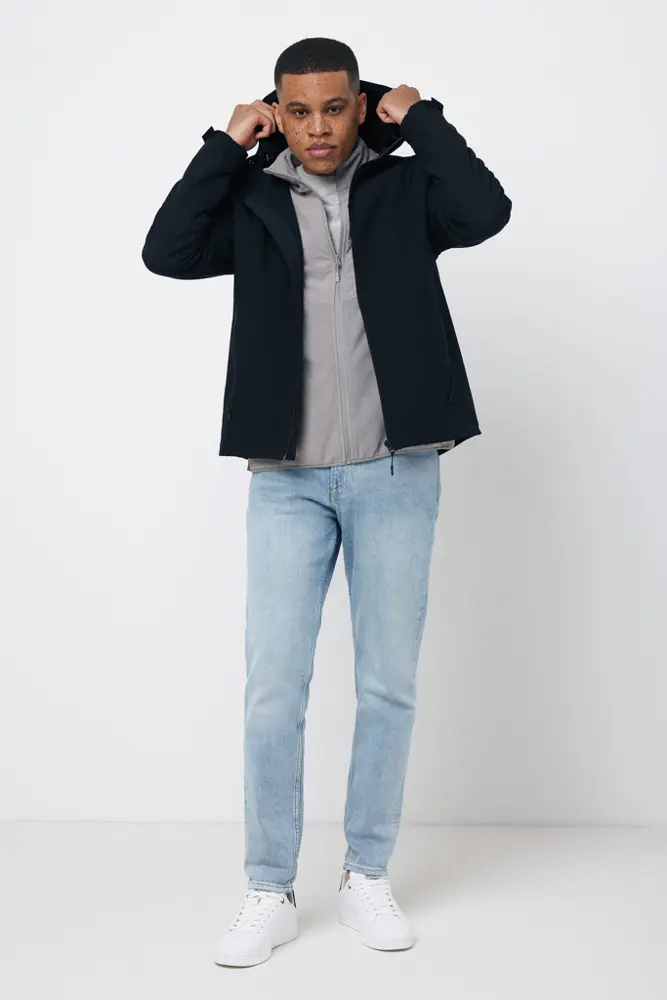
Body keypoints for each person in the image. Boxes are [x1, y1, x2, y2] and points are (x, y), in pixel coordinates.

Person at [142, 36, 511, 967]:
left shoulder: (406, 189)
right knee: (274, 690)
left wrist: (417, 115)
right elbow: (165, 251)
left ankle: (365, 874)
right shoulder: (253, 198)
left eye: (335, 107)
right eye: (298, 110)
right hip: (287, 482)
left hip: (396, 471)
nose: (317, 127)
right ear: (277, 111)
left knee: (386, 686)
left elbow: (486, 210)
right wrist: (225, 145)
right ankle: (268, 887)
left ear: (358, 106)